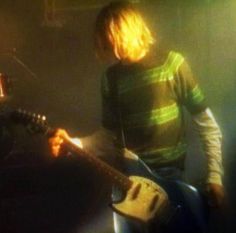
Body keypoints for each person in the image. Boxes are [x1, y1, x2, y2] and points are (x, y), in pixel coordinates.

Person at [49, 1, 225, 232]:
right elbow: (108, 138)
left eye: (106, 39)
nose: (102, 49)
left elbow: (206, 124)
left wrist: (215, 175)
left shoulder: (172, 65)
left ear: (120, 32)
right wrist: (74, 142)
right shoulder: (111, 79)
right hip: (131, 186)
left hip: (171, 181)